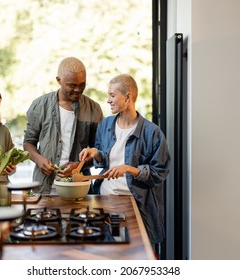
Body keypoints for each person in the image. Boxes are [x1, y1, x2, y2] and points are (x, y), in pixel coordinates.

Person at [79, 74, 170, 252]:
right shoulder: (105, 125)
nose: (108, 100)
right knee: (107, 255)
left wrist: (130, 169)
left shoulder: (153, 133)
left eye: (112, 95)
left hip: (134, 207)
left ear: (127, 97)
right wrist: (95, 153)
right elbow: (105, 158)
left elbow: (160, 172)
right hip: (104, 203)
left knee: (133, 256)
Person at [23, 57, 103, 194]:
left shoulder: (93, 109)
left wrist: (79, 165)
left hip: (79, 188)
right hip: (44, 188)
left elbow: (100, 152)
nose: (78, 89)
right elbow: (28, 143)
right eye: (72, 85)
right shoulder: (40, 106)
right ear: (59, 80)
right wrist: (39, 159)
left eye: (82, 84)